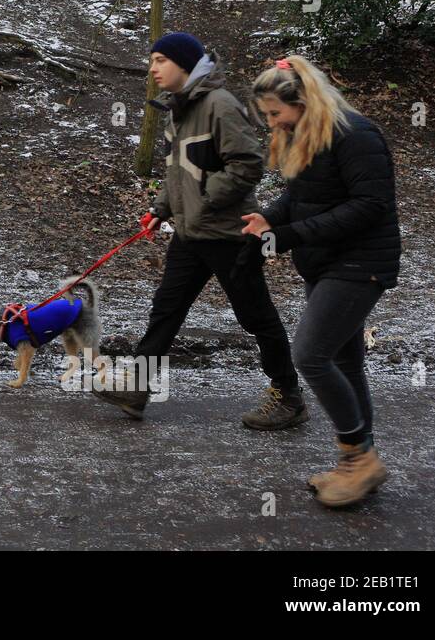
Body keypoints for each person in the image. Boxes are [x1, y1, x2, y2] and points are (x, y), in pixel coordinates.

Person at [94, 32, 304, 426]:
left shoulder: (220, 105)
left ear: (185, 64)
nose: (153, 68)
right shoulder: (181, 108)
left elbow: (247, 163)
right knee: (166, 311)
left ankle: (289, 396)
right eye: (152, 60)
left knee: (256, 317)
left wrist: (203, 201)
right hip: (191, 235)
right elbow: (181, 172)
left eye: (160, 60)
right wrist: (162, 208)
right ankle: (137, 387)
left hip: (229, 235)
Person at [241, 55, 400, 507]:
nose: (272, 123)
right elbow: (301, 194)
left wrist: (288, 236)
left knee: (309, 355)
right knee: (345, 363)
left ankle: (360, 460)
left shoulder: (357, 134)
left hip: (359, 264)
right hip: (326, 263)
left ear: (304, 100)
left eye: (275, 114)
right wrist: (268, 217)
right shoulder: (310, 134)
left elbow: (369, 204)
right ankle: (358, 462)